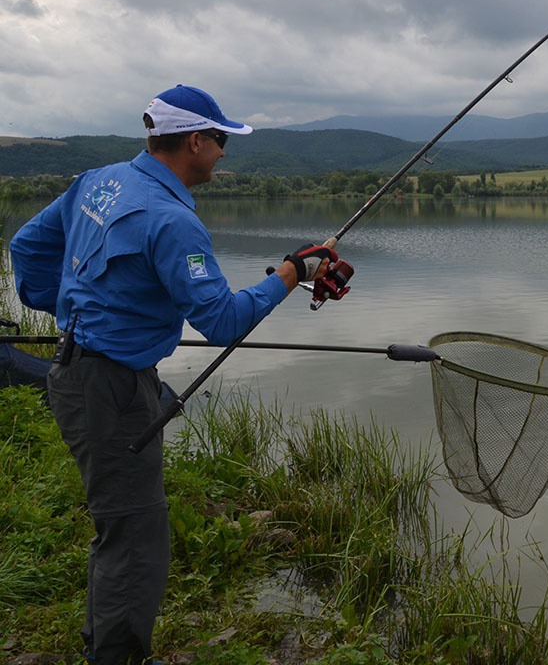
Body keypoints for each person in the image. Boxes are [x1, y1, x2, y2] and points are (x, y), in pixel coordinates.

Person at [9, 85, 340, 665]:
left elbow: (26, 245)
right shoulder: (171, 219)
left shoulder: (101, 180)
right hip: (108, 391)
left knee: (120, 527)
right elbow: (221, 321)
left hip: (87, 374)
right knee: (136, 538)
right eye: (220, 141)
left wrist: (66, 307)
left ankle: (104, 645)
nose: (223, 154)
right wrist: (292, 272)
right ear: (194, 140)